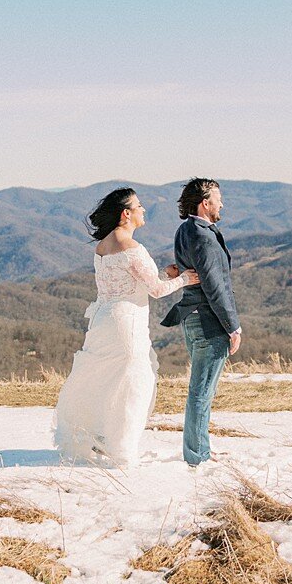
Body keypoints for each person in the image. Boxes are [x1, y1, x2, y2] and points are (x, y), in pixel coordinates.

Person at [54, 187, 198, 467]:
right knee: (134, 382)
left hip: (102, 319)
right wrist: (184, 279)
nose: (144, 210)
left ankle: (95, 437)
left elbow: (126, 283)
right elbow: (155, 290)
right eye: (139, 206)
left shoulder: (103, 245)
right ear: (126, 214)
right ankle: (122, 449)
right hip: (126, 323)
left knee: (101, 378)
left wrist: (162, 274)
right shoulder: (133, 248)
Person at [160, 178, 240, 468]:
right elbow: (215, 284)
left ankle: (200, 449)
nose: (222, 204)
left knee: (202, 391)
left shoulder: (185, 230)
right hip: (208, 320)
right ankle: (196, 456)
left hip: (192, 317)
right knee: (201, 392)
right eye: (218, 199)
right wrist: (232, 326)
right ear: (205, 203)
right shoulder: (204, 235)